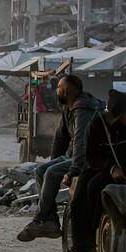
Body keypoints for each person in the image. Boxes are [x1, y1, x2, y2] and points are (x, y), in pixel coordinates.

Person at [17, 75, 102, 242]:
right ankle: (50, 221)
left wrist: (73, 170)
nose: (56, 91)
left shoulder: (83, 110)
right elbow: (60, 138)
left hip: (88, 158)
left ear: (66, 90)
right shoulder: (69, 108)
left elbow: (81, 143)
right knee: (41, 170)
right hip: (72, 155)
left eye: (59, 88)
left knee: (51, 173)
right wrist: (54, 162)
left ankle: (40, 218)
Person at [58, 89, 125, 252]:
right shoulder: (98, 124)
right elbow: (91, 156)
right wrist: (111, 168)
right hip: (99, 168)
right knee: (85, 193)